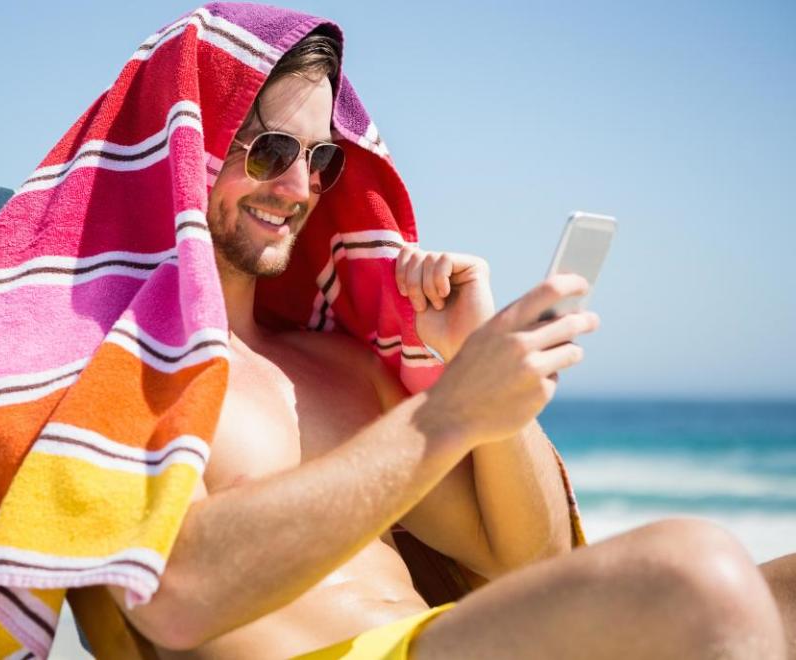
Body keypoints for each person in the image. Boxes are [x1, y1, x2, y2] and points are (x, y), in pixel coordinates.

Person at [102, 29, 796, 660]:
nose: (298, 186)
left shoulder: (341, 368)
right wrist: (450, 411)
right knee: (691, 570)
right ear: (182, 147)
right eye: (271, 151)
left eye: (321, 159)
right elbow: (172, 601)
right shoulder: (119, 366)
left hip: (440, 636)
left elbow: (529, 563)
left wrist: (475, 366)